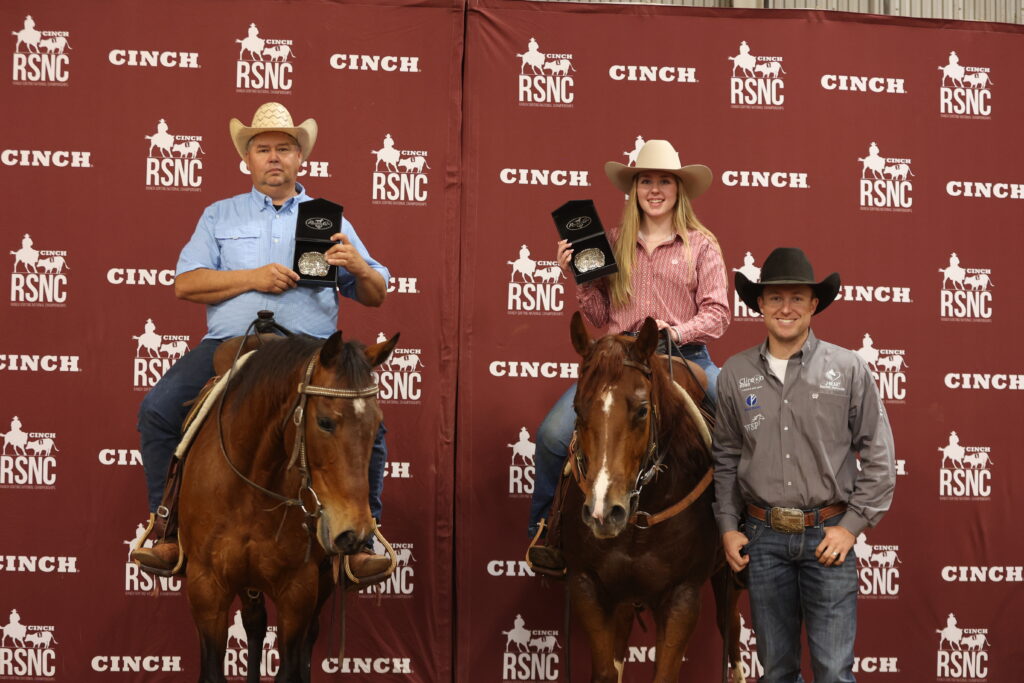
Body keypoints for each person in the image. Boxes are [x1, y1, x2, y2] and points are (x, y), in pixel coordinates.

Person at [131, 102, 392, 582]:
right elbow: (185, 284)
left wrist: (357, 265)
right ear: (247, 160)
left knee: (367, 425)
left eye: (284, 149)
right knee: (157, 409)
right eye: (264, 149)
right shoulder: (218, 216)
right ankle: (165, 528)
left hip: (308, 352)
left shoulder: (328, 218)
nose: (274, 158)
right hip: (233, 346)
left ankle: (365, 537)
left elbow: (375, 295)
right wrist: (254, 278)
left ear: (300, 159)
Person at [527, 139, 730, 571]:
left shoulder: (702, 244)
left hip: (685, 356)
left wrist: (677, 331)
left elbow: (717, 313)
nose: (654, 190)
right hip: (621, 362)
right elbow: (601, 315)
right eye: (645, 181)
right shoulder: (612, 243)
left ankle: (745, 532)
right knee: (550, 435)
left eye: (664, 182)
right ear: (634, 189)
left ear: (679, 189)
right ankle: (547, 530)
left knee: (743, 425)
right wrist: (578, 279)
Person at [712, 247, 896, 683]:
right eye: (775, 297)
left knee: (833, 673)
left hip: (827, 539)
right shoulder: (735, 374)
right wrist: (727, 525)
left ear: (815, 305)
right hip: (763, 539)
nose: (786, 308)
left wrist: (850, 527)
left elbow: (880, 459)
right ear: (759, 304)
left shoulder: (848, 368)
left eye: (797, 297)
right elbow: (726, 458)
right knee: (776, 672)